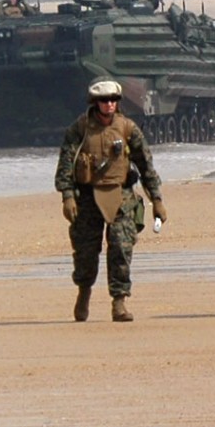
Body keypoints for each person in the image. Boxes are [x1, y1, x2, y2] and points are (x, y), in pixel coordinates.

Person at [55, 77, 166, 322]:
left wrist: (156, 199)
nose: (109, 105)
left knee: (121, 248)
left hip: (121, 195)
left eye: (114, 100)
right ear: (95, 102)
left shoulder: (127, 128)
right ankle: (84, 293)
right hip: (87, 197)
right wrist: (67, 196)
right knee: (85, 252)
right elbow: (65, 163)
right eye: (104, 101)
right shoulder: (80, 128)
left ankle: (119, 301)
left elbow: (146, 165)